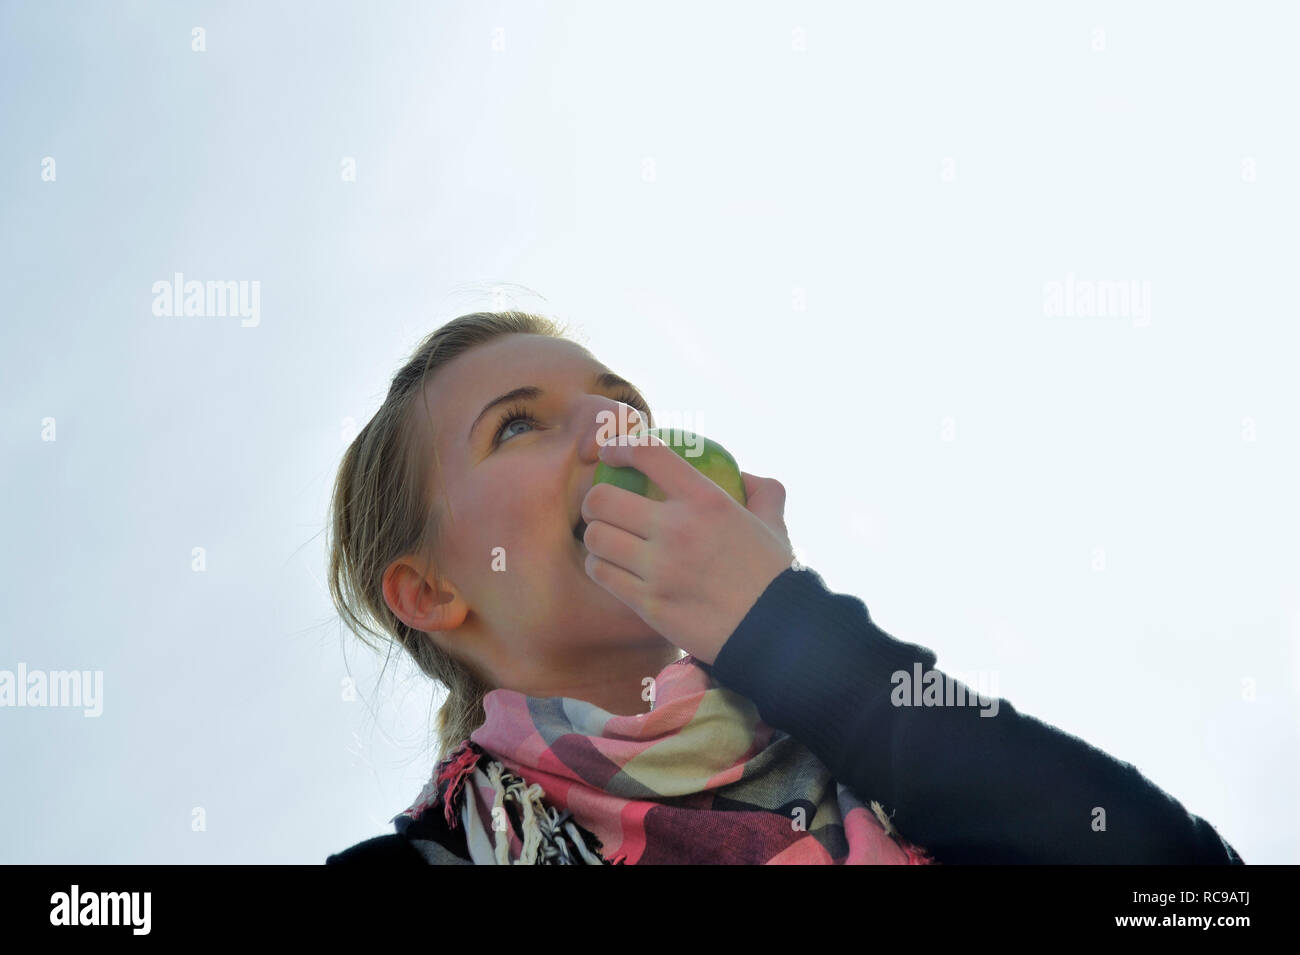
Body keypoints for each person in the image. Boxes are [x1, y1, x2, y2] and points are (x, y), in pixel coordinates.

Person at [323, 310, 1243, 865]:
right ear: (431, 591)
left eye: (623, 403)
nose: (614, 426)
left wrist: (792, 636)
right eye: (518, 425)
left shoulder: (879, 760)